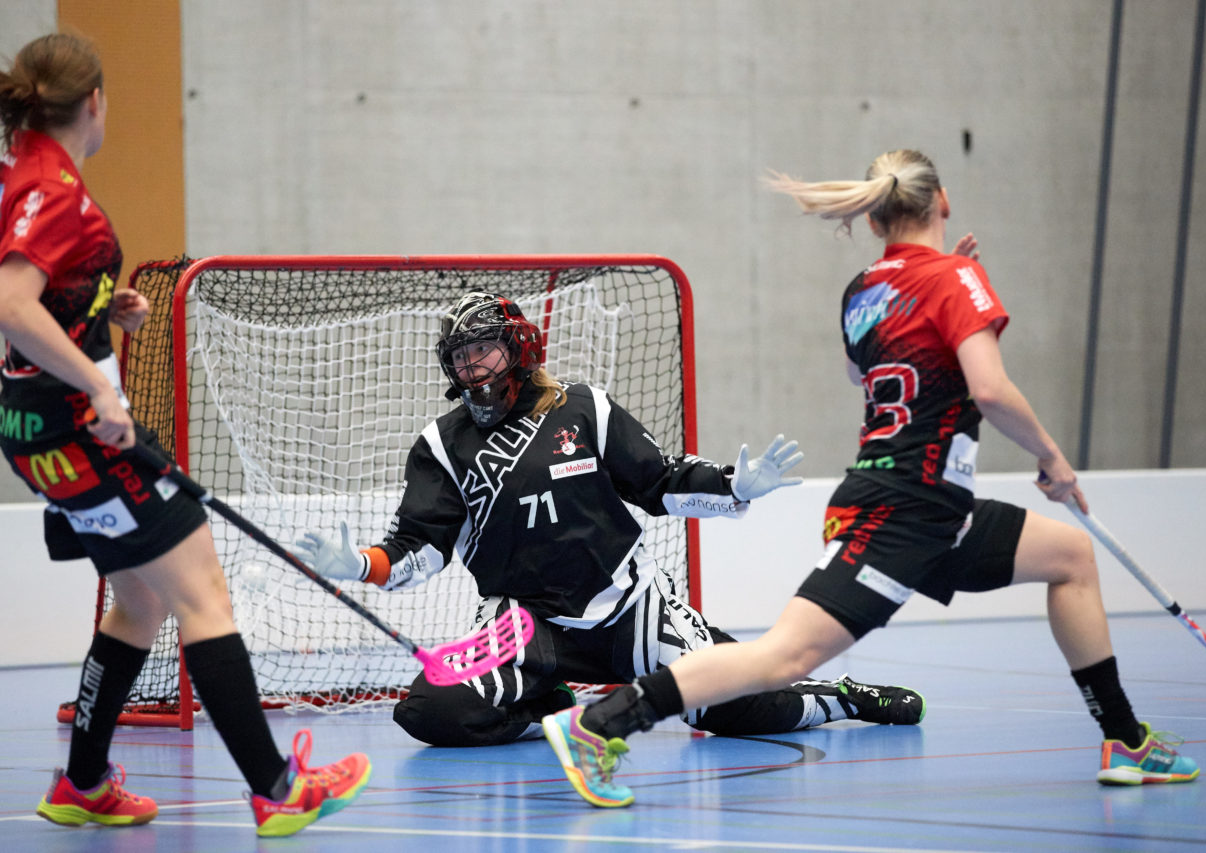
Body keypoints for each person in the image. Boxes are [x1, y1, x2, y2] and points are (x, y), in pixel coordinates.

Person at [538, 148, 1202, 807]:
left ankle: (1126, 740)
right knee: (784, 659)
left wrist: (954, 285)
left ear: (878, 215)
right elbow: (990, 390)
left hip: (938, 510)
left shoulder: (863, 290)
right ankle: (601, 724)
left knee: (1071, 557)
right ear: (941, 202)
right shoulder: (954, 280)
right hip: (904, 511)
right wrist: (1052, 458)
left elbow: (864, 373)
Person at [0, 33, 370, 837]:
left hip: (36, 429)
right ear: (96, 104)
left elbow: (36, 286)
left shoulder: (17, 172)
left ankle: (83, 783)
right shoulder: (57, 192)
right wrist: (93, 384)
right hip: (79, 427)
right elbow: (11, 304)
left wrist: (97, 308)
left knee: (139, 601)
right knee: (203, 593)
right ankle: (279, 787)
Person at [291, 291, 926, 789]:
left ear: (517, 346)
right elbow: (420, 545)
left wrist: (738, 487)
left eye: (481, 349)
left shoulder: (584, 407)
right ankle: (558, 708)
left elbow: (661, 483)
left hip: (631, 607)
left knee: (734, 708)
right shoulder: (440, 445)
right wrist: (364, 564)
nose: (469, 366)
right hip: (523, 624)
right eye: (458, 357)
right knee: (431, 713)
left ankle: (842, 698)